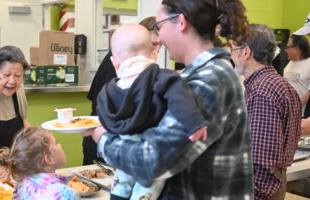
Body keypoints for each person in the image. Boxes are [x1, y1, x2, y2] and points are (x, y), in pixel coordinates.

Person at [83, 0, 253, 199]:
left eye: (159, 26)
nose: (159, 37)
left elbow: (151, 162)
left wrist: (102, 138)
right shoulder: (195, 77)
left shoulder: (208, 80)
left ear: (180, 22)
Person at [97, 23, 208, 200]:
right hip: (148, 144)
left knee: (122, 179)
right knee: (150, 184)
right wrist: (195, 123)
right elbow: (181, 99)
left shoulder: (109, 89)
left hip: (123, 143)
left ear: (114, 62)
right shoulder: (164, 78)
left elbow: (104, 113)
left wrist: (109, 132)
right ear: (154, 54)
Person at [231, 24, 302, 200]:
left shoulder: (260, 92)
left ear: (246, 52)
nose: (230, 57)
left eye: (232, 50)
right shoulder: (281, 84)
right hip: (276, 182)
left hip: (260, 191)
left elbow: (262, 166)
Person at [84, 16, 162, 166]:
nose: (156, 51)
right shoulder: (121, 63)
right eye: (153, 44)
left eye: (160, 45)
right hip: (103, 143)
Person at [0, 127, 80, 200]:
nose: (60, 145)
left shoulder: (22, 184)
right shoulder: (66, 194)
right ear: (49, 159)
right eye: (56, 143)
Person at [282, 35, 310, 108]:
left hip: (305, 115)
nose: (285, 50)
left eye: (288, 47)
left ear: (297, 48)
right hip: (291, 113)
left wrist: (296, 107)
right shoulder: (288, 65)